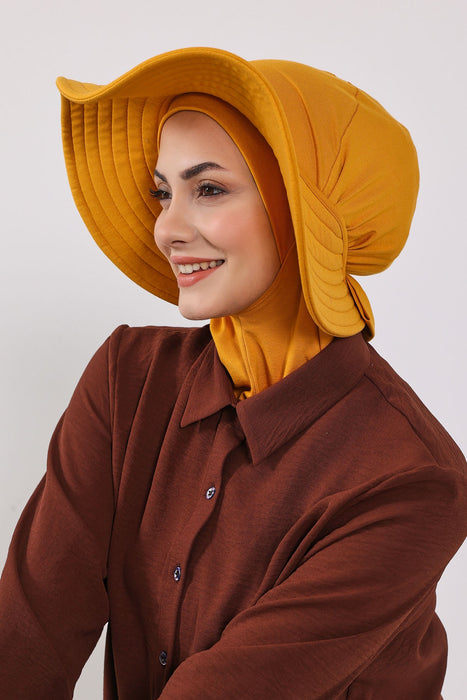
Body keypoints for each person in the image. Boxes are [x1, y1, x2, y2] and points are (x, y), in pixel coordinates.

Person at [0, 46, 466, 699]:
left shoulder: (410, 478)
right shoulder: (127, 379)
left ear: (302, 211)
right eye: (163, 193)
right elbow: (28, 636)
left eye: (209, 189)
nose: (166, 229)